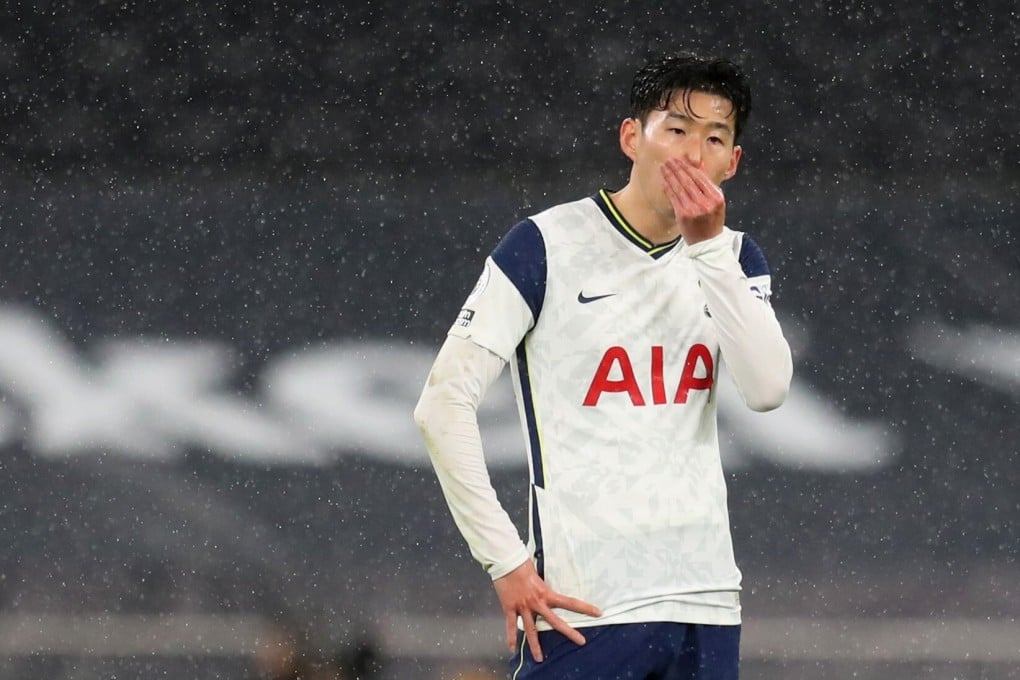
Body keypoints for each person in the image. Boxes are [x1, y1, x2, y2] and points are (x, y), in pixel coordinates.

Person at [414, 52, 793, 680]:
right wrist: (505, 561)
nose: (694, 153)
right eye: (675, 129)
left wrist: (708, 253)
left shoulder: (734, 258)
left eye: (715, 138)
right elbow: (440, 405)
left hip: (707, 603)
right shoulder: (545, 245)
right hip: (587, 607)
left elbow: (768, 390)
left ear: (733, 162)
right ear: (631, 138)